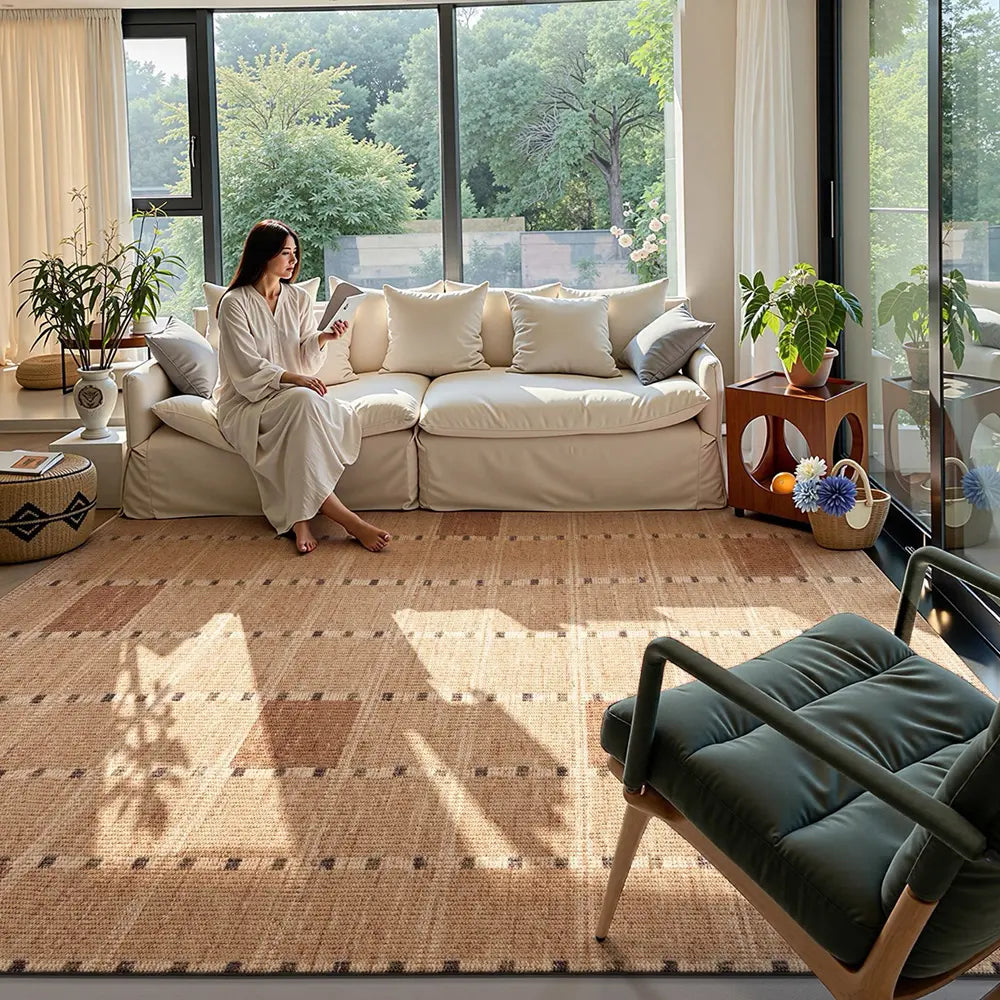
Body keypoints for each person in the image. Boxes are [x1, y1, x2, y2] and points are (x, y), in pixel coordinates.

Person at [214, 219, 391, 555]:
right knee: (303, 403)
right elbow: (245, 366)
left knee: (302, 409)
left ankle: (300, 519)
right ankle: (347, 519)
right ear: (263, 255)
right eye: (285, 253)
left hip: (289, 398)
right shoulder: (234, 303)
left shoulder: (296, 298)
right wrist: (295, 380)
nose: (294, 261)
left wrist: (323, 338)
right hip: (246, 401)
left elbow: (305, 359)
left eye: (295, 253)